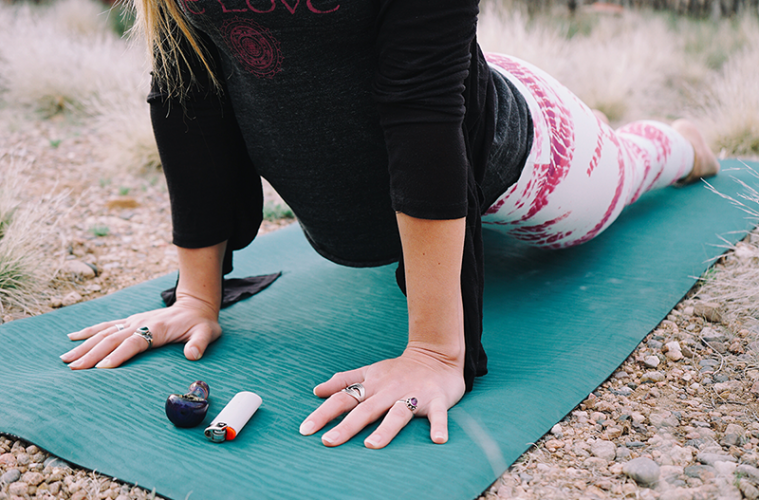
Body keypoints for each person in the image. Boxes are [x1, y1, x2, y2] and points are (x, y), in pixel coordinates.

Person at [59, 0, 719, 449]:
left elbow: (423, 108)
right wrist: (199, 298)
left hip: (530, 155)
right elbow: (186, 95)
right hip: (429, 125)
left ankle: (677, 143)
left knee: (620, 179)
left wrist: (434, 352)